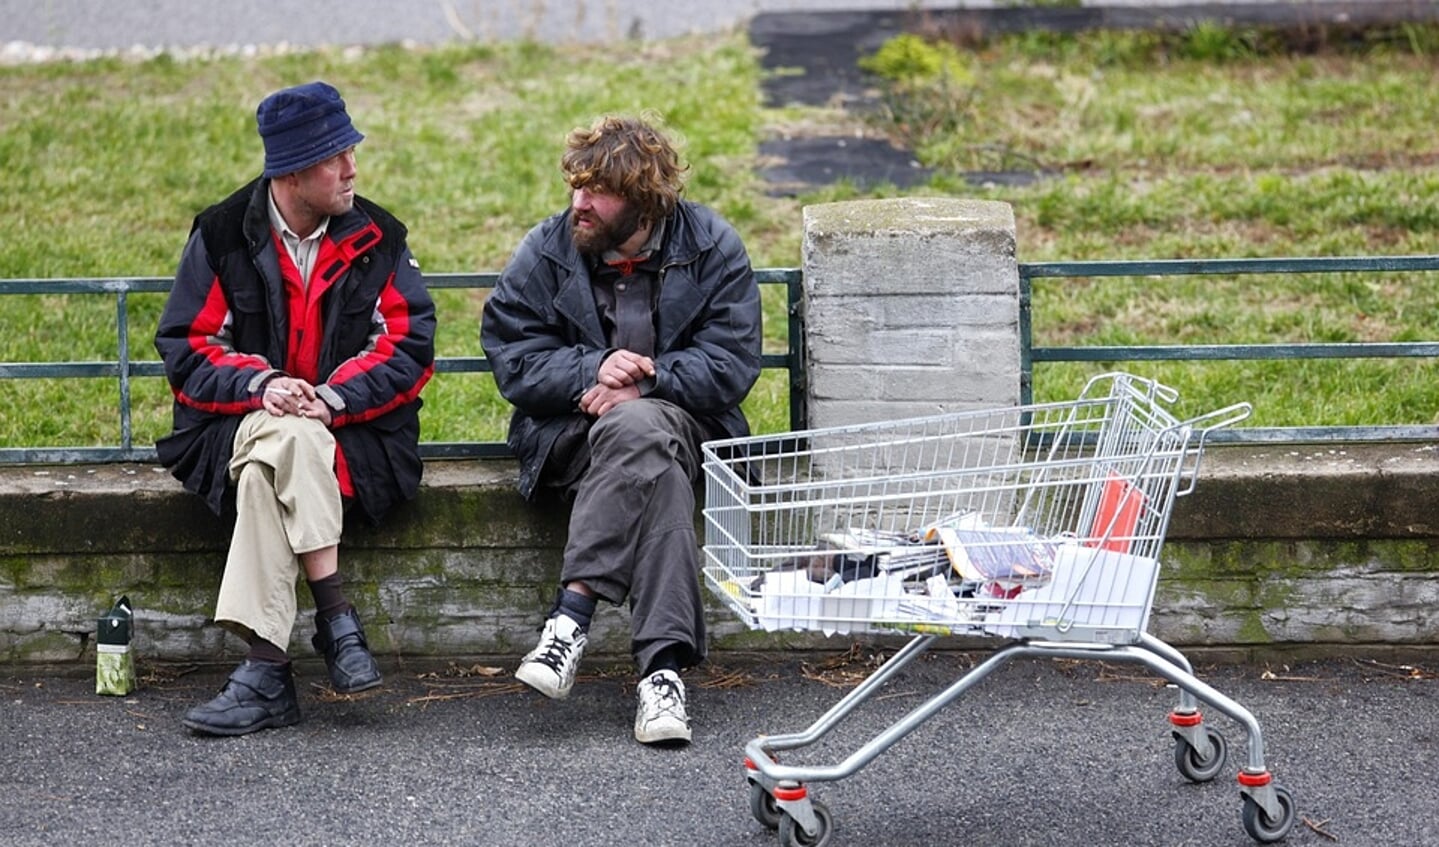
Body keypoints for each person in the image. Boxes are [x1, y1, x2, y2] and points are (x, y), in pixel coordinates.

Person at [154, 80, 436, 737]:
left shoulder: (378, 236)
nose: (352, 168)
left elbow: (408, 346)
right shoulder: (222, 234)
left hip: (358, 439)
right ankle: (335, 617)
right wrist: (264, 386)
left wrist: (329, 398)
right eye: (336, 155)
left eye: (349, 152)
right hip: (235, 424)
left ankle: (266, 670)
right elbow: (189, 346)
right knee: (282, 434)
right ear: (293, 170)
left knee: (270, 467)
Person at [481, 114, 763, 746]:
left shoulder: (712, 245)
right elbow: (512, 354)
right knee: (653, 468)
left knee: (644, 429)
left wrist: (649, 380)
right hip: (572, 437)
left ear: (642, 201)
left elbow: (732, 362)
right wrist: (591, 367)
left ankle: (570, 619)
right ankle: (662, 676)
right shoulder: (549, 248)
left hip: (688, 426)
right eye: (575, 187)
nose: (578, 203)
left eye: (595, 192)